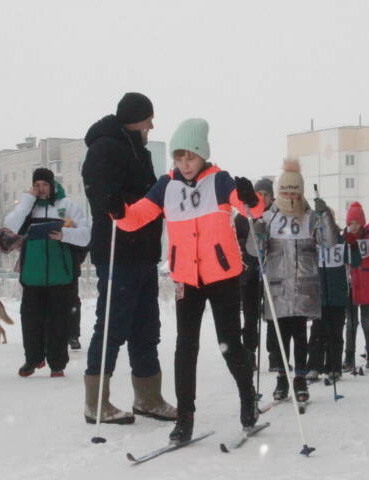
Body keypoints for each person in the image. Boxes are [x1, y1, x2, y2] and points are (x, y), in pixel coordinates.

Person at [112, 117, 262, 444]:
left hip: (222, 275)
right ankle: (185, 417)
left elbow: (252, 209)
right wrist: (118, 212)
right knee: (185, 347)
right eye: (179, 158)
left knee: (229, 344)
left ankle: (248, 397)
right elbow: (137, 216)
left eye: (190, 157)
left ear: (202, 154)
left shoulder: (220, 181)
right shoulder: (167, 185)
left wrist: (252, 197)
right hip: (186, 278)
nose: (184, 164)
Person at [81, 92, 176, 424]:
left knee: (146, 327)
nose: (152, 124)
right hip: (117, 250)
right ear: (135, 118)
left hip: (144, 252)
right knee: (111, 326)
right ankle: (97, 402)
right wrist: (140, 201)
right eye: (149, 118)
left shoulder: (139, 150)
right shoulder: (104, 147)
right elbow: (103, 195)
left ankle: (148, 397)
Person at [248, 160, 336, 403]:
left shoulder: (310, 216)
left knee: (299, 333)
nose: (290, 196)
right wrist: (257, 230)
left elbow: (329, 243)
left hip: (303, 284)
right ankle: (282, 378)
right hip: (277, 285)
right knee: (279, 336)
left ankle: (299, 377)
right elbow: (254, 251)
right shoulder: (269, 216)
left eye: (294, 191)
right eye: (286, 191)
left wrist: (325, 215)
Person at [4, 167, 91, 377]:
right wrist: (27, 200)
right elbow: (10, 226)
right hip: (33, 276)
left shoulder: (67, 206)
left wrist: (64, 235)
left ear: (52, 185)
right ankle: (33, 359)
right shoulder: (27, 208)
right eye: (37, 185)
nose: (41, 189)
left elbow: (86, 235)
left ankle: (57, 362)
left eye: (44, 185)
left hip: (61, 276)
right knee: (30, 319)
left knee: (58, 321)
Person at [307, 205, 351, 383]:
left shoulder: (341, 240)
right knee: (317, 332)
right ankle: (314, 366)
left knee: (335, 332)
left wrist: (353, 245)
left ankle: (334, 367)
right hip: (320, 295)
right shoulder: (313, 242)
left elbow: (353, 260)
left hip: (338, 295)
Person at [343, 202, 369, 372]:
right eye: (350, 223)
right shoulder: (344, 239)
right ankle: (349, 357)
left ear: (362, 222)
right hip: (350, 286)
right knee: (351, 323)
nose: (353, 227)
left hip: (367, 284)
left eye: (356, 223)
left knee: (367, 322)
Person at [235, 177, 272, 365]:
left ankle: (275, 355)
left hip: (272, 273)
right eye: (261, 194)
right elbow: (235, 239)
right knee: (251, 316)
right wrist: (247, 247)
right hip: (249, 274)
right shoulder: (244, 215)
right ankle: (249, 353)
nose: (263, 198)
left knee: (273, 315)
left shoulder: (274, 215)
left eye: (267, 194)